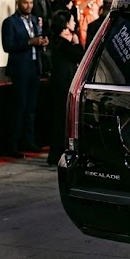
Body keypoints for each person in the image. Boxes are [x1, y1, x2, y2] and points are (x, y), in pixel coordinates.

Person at [2, 0, 48, 157]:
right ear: (18, 3)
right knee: (19, 107)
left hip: (34, 67)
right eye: (25, 3)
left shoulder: (35, 20)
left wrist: (42, 42)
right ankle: (13, 145)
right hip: (19, 69)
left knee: (31, 108)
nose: (28, 6)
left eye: (30, 3)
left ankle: (28, 140)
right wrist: (30, 42)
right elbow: (8, 45)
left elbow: (37, 38)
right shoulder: (10, 22)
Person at [47, 10, 84, 167]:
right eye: (71, 21)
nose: (74, 23)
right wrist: (75, 42)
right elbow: (79, 54)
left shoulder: (60, 42)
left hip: (63, 83)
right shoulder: (60, 43)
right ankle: (56, 154)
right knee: (60, 120)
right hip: (61, 85)